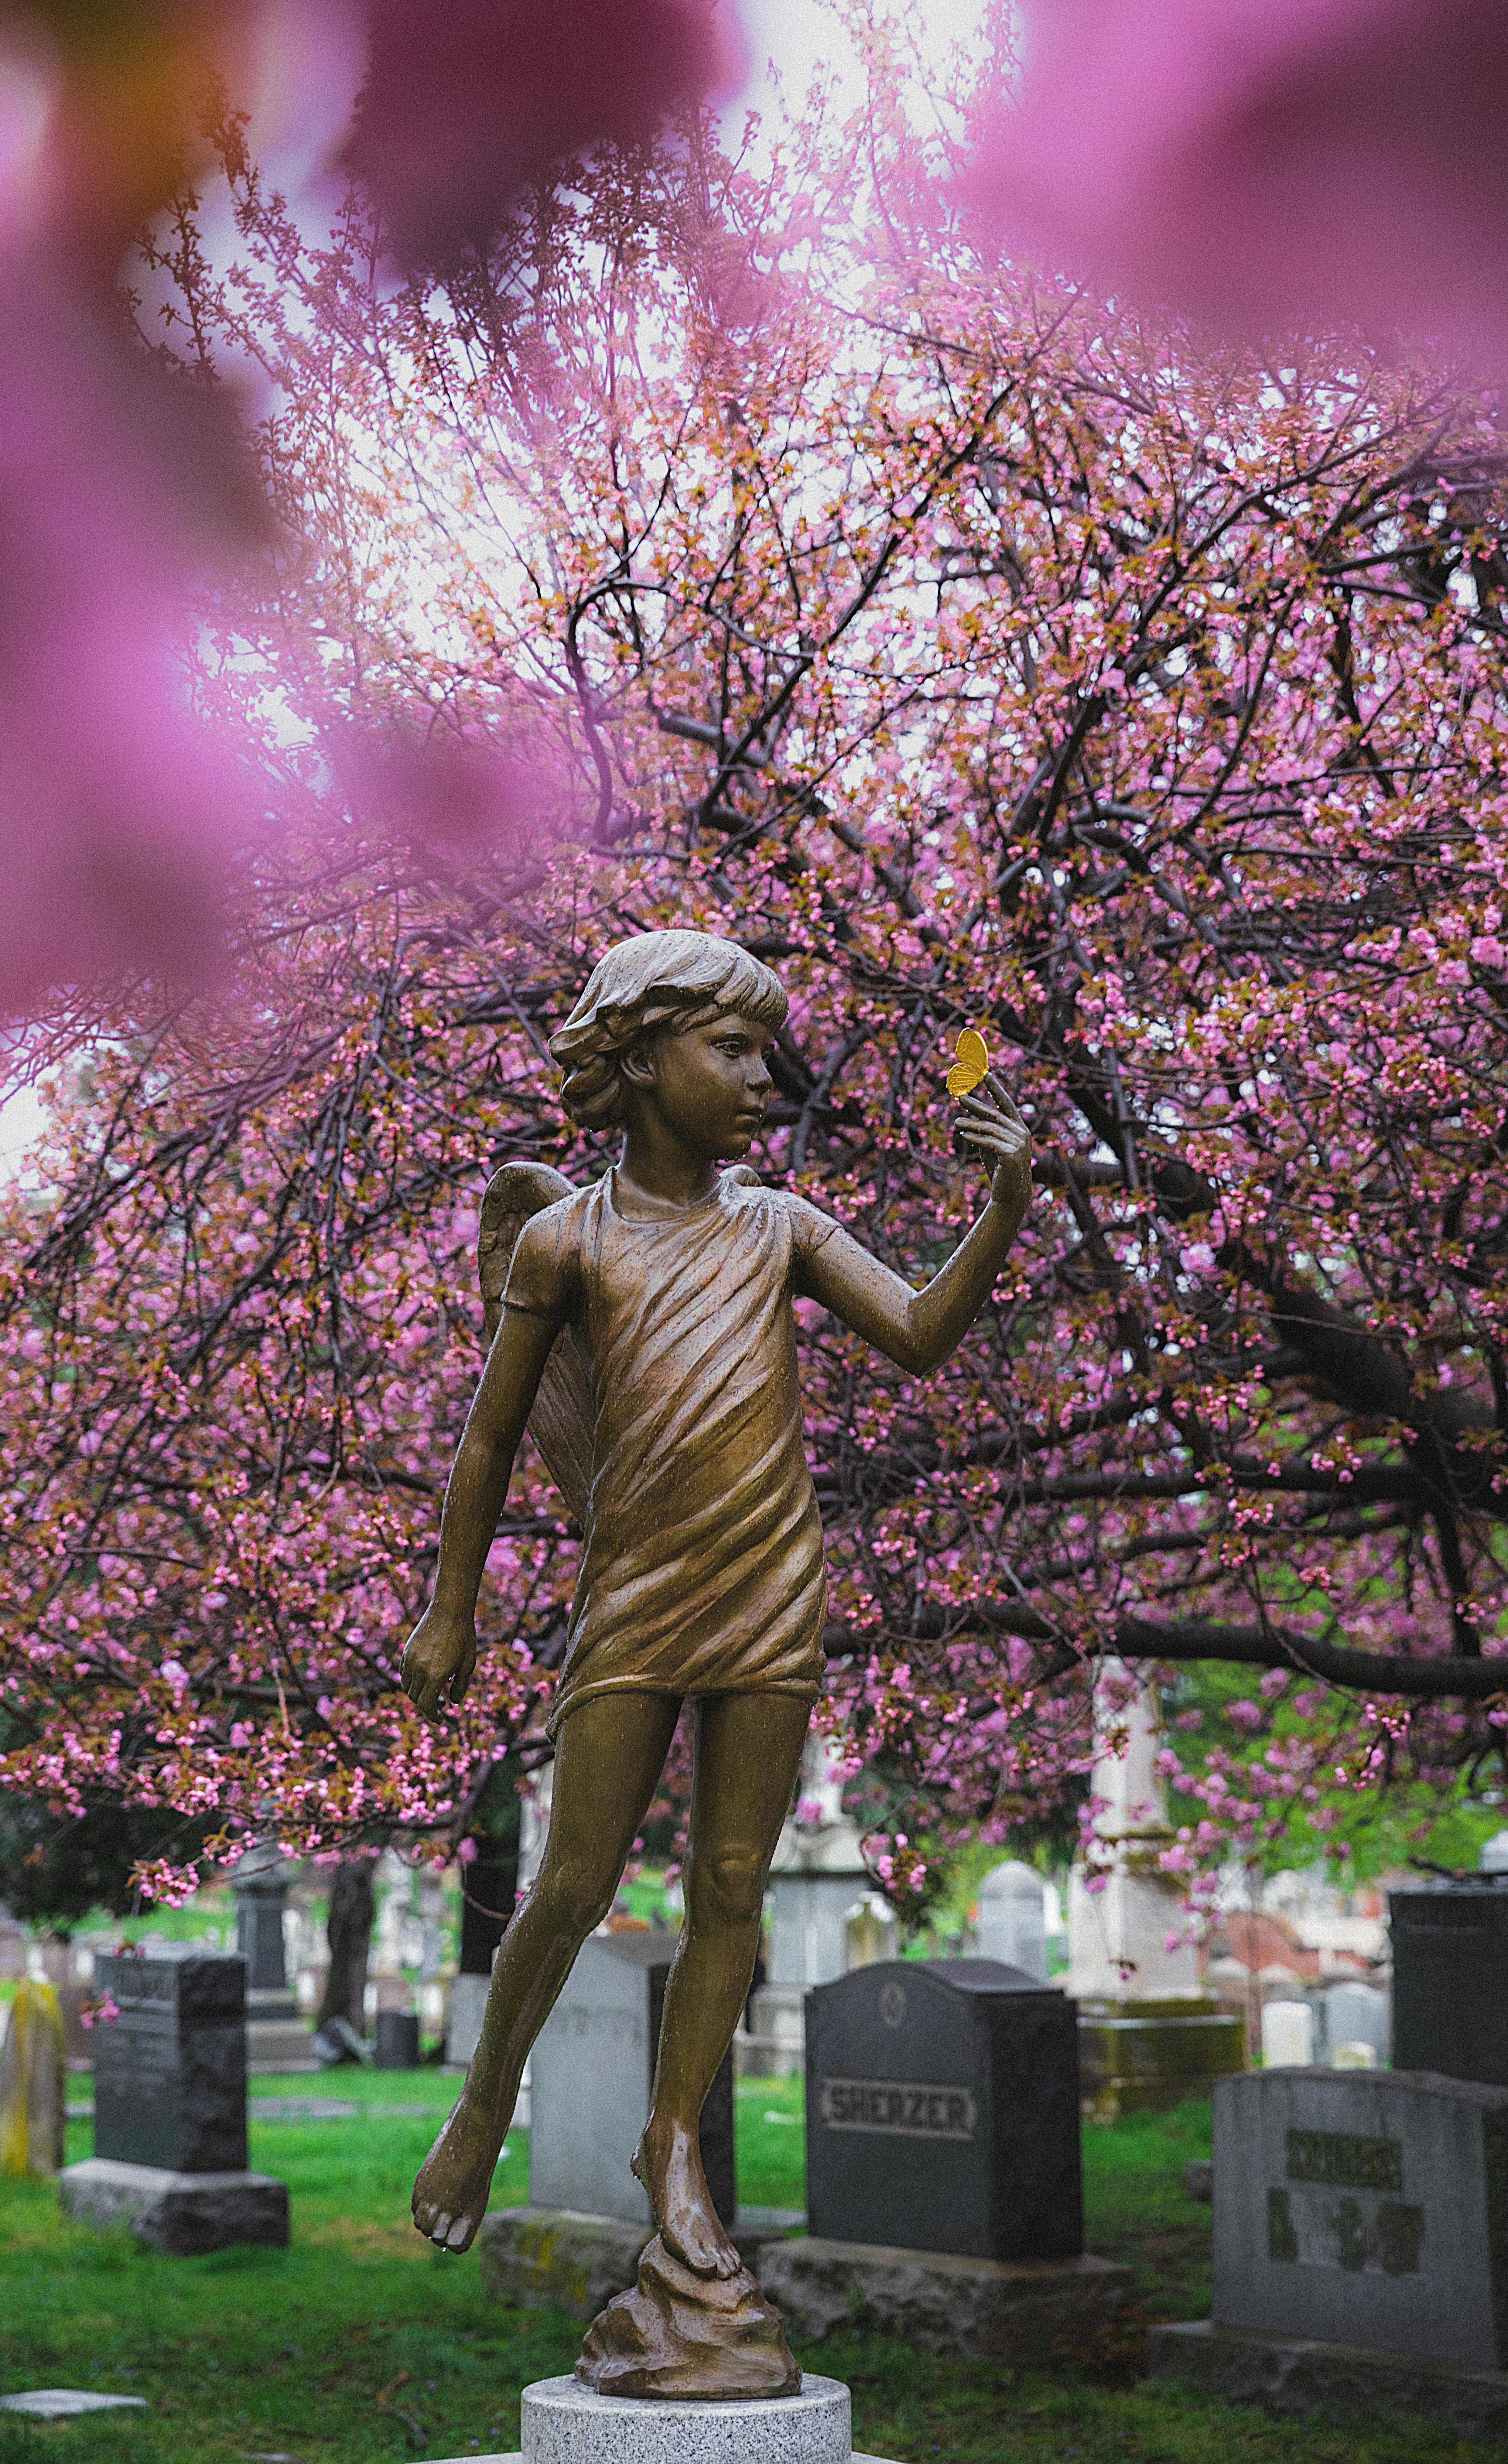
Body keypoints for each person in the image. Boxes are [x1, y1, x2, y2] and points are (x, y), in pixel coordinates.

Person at [401, 928, 1030, 2274]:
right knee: (572, 1878)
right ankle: (483, 2100)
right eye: (732, 1050)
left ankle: (673, 2138)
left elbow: (919, 1335)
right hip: (636, 1584)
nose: (765, 1078)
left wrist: (1003, 1208)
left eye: (767, 1052)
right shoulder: (568, 1238)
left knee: (733, 1880)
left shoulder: (782, 1226)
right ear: (638, 1059)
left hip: (769, 1578)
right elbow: (489, 1440)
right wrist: (450, 1607)